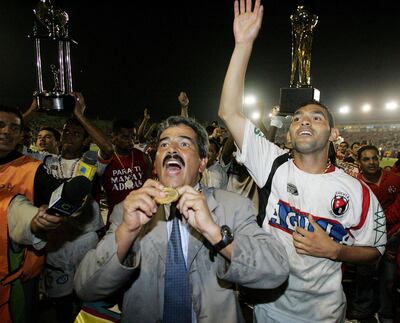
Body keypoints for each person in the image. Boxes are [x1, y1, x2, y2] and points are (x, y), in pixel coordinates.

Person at [218, 1, 386, 321]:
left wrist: (336, 251)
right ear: (290, 133)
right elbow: (229, 112)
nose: (304, 121)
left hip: (322, 313)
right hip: (269, 307)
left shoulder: (355, 190)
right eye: (297, 118)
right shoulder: (272, 163)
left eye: (316, 117)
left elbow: (375, 252)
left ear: (333, 133)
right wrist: (243, 45)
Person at [74, 116, 289, 323]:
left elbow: (275, 271)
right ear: (156, 162)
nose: (172, 149)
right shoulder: (127, 211)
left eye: (184, 144)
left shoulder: (232, 207)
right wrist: (126, 232)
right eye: (164, 145)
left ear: (202, 163)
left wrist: (214, 232)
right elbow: (87, 288)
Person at [0, 105, 62, 322]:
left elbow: (65, 198)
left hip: (20, 276)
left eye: (14, 128)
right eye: (1, 125)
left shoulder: (33, 168)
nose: (7, 132)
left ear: (21, 134)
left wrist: (49, 217)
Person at [349, 145, 400, 321]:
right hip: (367, 238)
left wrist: (383, 221)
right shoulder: (355, 185)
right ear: (359, 163)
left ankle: (386, 313)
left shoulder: (394, 179)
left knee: (389, 278)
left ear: (378, 159)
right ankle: (363, 310)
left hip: (392, 236)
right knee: (364, 276)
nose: (371, 162)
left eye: (374, 158)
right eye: (366, 159)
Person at [99, 118, 152, 223]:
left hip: (141, 218)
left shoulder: (144, 157)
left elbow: (150, 187)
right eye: (125, 137)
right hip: (116, 220)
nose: (131, 141)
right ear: (113, 136)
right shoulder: (105, 160)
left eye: (133, 137)